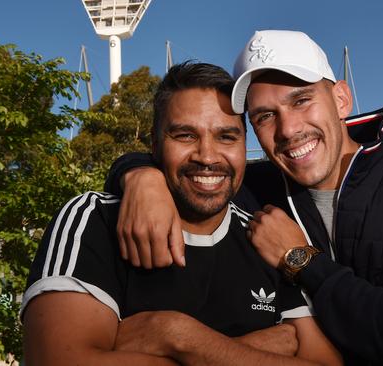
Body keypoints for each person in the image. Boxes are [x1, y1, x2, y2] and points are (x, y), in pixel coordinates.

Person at [107, 30, 383, 365]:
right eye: (265, 116)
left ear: (340, 100)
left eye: (301, 100)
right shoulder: (264, 186)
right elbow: (194, 166)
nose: (288, 129)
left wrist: (300, 260)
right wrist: (141, 177)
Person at [20, 61, 342, 366]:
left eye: (226, 136)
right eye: (185, 135)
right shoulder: (93, 220)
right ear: (155, 145)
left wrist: (176, 335)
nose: (207, 156)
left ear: (245, 145)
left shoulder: (266, 239)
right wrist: (256, 347)